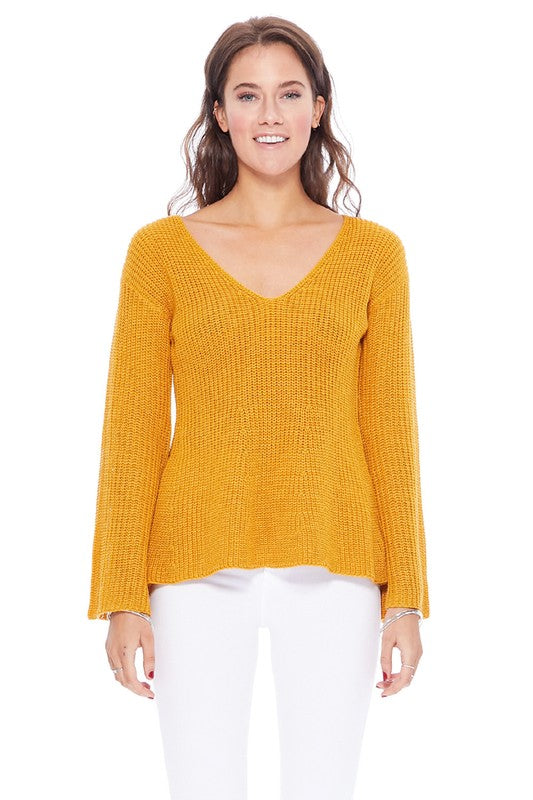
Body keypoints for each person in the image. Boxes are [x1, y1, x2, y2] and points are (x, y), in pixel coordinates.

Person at [87, 14, 430, 799]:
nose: (268, 115)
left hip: (336, 564)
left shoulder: (374, 254)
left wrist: (406, 597)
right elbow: (131, 433)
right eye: (247, 95)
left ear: (318, 108)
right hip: (194, 567)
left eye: (288, 94)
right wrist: (120, 596)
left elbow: (390, 433)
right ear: (218, 112)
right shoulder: (159, 253)